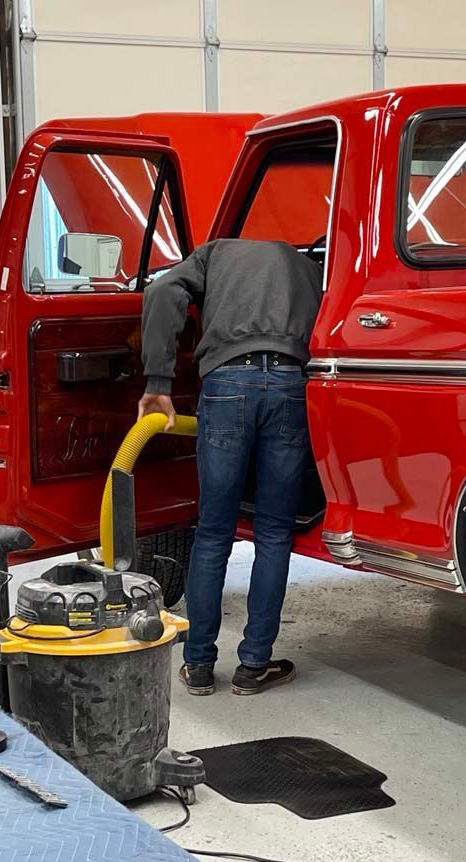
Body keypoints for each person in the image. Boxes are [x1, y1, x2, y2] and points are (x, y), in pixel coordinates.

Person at [139, 239, 323, 696]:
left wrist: (158, 381)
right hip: (291, 383)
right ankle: (254, 666)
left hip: (226, 382)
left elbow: (163, 291)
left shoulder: (215, 253)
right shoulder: (307, 266)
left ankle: (199, 665)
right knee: (276, 531)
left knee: (214, 532)